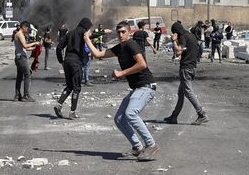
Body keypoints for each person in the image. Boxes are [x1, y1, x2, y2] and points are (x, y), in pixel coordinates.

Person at [84, 20, 160, 161]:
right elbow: (98, 54)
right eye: (118, 32)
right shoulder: (119, 48)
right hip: (137, 88)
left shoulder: (131, 45)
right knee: (119, 119)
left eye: (123, 32)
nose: (120, 34)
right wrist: (87, 39)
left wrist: (121, 73)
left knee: (130, 113)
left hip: (146, 86)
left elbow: (142, 64)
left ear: (129, 32)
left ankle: (151, 145)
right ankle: (137, 147)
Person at [164, 22, 208, 125]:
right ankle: (174, 117)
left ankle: (202, 114)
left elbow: (179, 52)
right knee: (181, 93)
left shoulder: (183, 37)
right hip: (192, 67)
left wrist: (174, 40)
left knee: (188, 91)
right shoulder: (191, 35)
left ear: (176, 31)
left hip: (186, 68)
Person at [54, 18, 93, 119]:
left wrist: (61, 61)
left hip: (67, 61)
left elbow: (59, 48)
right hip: (76, 62)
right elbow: (90, 37)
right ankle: (72, 111)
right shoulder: (83, 33)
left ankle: (59, 104)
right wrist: (102, 32)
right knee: (76, 87)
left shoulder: (69, 33)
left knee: (69, 86)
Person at [13, 21, 41, 102]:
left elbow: (23, 47)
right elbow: (25, 45)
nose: (28, 30)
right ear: (24, 27)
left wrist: (33, 48)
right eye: (27, 28)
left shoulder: (18, 34)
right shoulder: (20, 34)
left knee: (19, 76)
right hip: (21, 58)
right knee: (27, 75)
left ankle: (17, 95)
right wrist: (35, 43)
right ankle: (26, 96)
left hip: (18, 57)